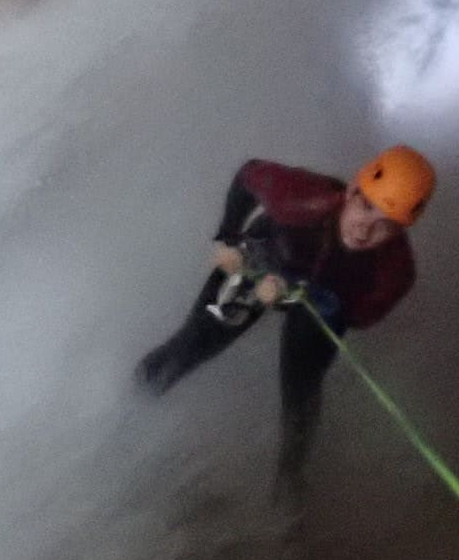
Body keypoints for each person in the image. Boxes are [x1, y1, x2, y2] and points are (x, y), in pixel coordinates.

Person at [135, 146, 434, 510]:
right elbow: (249, 174)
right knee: (191, 345)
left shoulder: (396, 272)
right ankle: (134, 407)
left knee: (302, 391)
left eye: (386, 224)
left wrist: (318, 298)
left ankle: (289, 486)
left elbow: (360, 315)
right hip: (259, 262)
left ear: (401, 230)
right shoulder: (301, 199)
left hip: (319, 300)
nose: (365, 228)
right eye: (367, 207)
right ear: (354, 191)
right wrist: (228, 238)